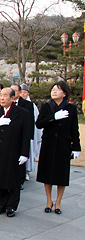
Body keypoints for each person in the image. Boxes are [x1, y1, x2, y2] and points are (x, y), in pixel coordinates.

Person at [0, 87, 32, 217]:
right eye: (1, 96)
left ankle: (11, 206)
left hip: (14, 150)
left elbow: (27, 135)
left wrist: (25, 153)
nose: (2, 98)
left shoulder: (23, 113)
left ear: (13, 97)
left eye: (5, 95)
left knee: (13, 179)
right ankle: (0, 204)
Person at [36, 81, 81, 214]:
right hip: (49, 144)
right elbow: (39, 124)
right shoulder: (46, 106)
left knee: (61, 174)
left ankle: (58, 202)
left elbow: (74, 129)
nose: (54, 91)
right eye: (53, 89)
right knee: (47, 173)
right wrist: (53, 117)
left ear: (64, 93)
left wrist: (76, 147)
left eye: (57, 89)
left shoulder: (71, 108)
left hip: (63, 145)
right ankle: (49, 200)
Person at [20, 83, 42, 181]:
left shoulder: (32, 105)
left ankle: (27, 172)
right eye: (21, 92)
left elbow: (36, 120)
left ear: (28, 93)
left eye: (25, 92)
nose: (23, 94)